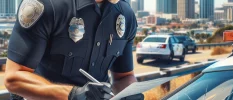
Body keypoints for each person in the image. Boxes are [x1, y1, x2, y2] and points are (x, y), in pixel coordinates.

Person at [4, 0, 144, 100]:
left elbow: (124, 77)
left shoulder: (126, 15)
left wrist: (130, 91)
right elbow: (14, 78)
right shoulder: (45, 5)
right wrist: (72, 94)